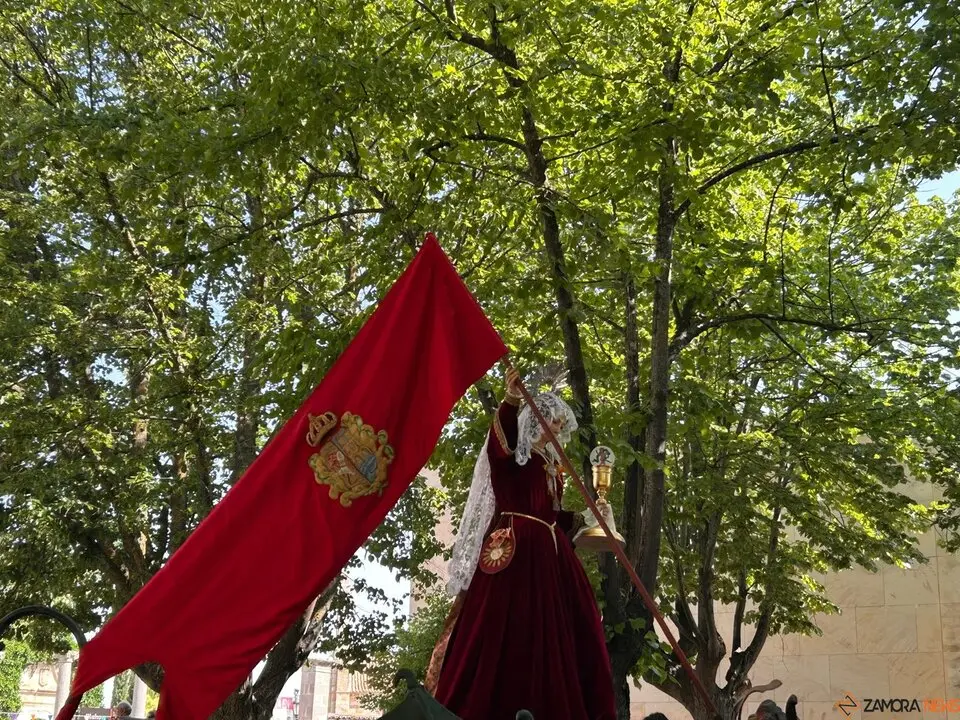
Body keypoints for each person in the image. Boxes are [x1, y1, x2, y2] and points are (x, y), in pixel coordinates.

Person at [429, 368, 617, 719]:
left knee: (572, 631)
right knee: (511, 625)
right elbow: (500, 446)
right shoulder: (516, 459)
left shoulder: (550, 468)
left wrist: (590, 517)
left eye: (562, 423)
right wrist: (511, 399)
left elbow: (552, 516)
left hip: (551, 553)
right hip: (517, 551)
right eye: (555, 421)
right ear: (539, 420)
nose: (560, 428)